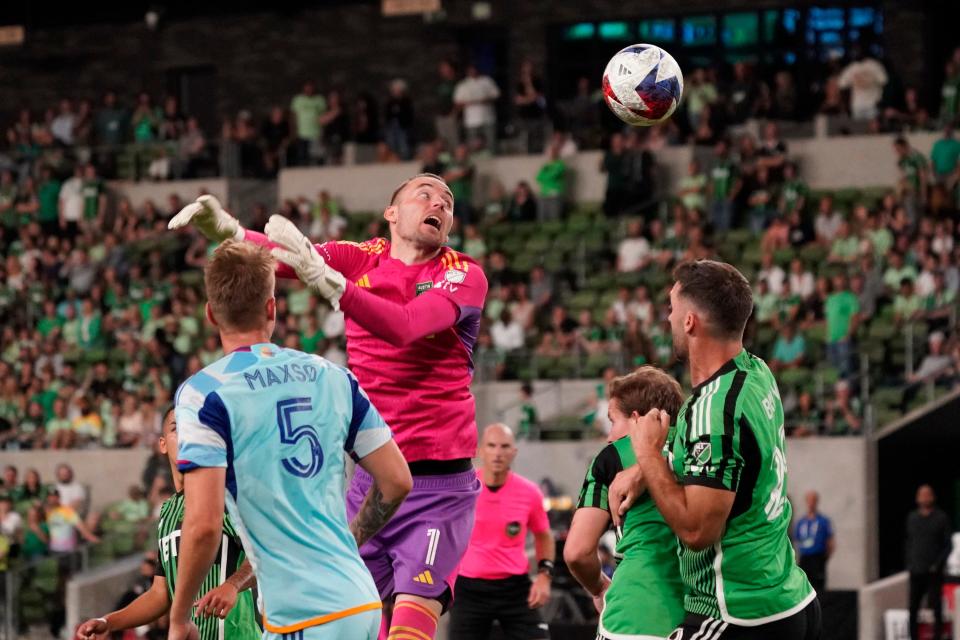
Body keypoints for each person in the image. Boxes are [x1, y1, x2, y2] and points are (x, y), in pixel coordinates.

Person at [169, 172, 488, 640]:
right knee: (351, 619)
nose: (439, 202)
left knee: (408, 629)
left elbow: (406, 326)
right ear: (391, 213)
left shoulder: (461, 273)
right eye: (426, 193)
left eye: (448, 201)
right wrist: (230, 233)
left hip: (438, 486)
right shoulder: (356, 256)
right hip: (370, 481)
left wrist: (337, 288)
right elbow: (284, 261)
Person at [167, 241, 412, 640]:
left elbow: (203, 527)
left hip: (306, 618)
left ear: (210, 314)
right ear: (272, 308)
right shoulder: (333, 376)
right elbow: (397, 480)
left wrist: (179, 619)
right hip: (360, 602)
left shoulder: (204, 394)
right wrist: (349, 541)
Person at [610, 260, 819, 639]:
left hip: (737, 613)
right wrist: (653, 466)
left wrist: (648, 455)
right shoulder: (756, 371)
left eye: (672, 307)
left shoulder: (715, 408)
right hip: (790, 599)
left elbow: (696, 530)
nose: (668, 317)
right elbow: (731, 454)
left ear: (690, 321)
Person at [77, 407, 261, 640]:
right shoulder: (166, 511)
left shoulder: (223, 496)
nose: (186, 434)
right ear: (162, 444)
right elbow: (160, 594)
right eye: (176, 428)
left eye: (192, 428)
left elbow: (263, 555)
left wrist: (233, 585)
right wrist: (109, 621)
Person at [564, 366, 685, 640]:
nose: (609, 435)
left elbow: (577, 552)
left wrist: (598, 588)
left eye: (612, 421)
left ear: (635, 419)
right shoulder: (700, 444)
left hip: (633, 615)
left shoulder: (613, 456)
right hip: (701, 615)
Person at [449, 424, 554, 640]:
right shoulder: (463, 491)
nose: (497, 453)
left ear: (513, 452)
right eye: (492, 446)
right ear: (480, 450)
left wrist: (544, 576)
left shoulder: (530, 493)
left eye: (504, 446)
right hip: (469, 589)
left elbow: (544, 535)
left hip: (515, 588)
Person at [906, 484, 953, 640]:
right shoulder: (912, 518)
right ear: (917, 498)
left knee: (936, 607)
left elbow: (948, 545)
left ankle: (937, 636)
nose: (924, 498)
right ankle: (912, 636)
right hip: (916, 570)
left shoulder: (941, 518)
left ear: (932, 497)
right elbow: (908, 542)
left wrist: (937, 564)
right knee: (913, 607)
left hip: (934, 571)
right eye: (921, 495)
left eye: (927, 495)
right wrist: (910, 563)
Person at [793, 491, 835, 597]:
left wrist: (824, 558)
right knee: (803, 586)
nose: (811, 503)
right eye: (809, 500)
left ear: (817, 502)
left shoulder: (823, 521)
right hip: (805, 558)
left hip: (818, 558)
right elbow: (797, 540)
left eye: (813, 500)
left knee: (818, 587)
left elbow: (830, 542)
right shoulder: (801, 522)